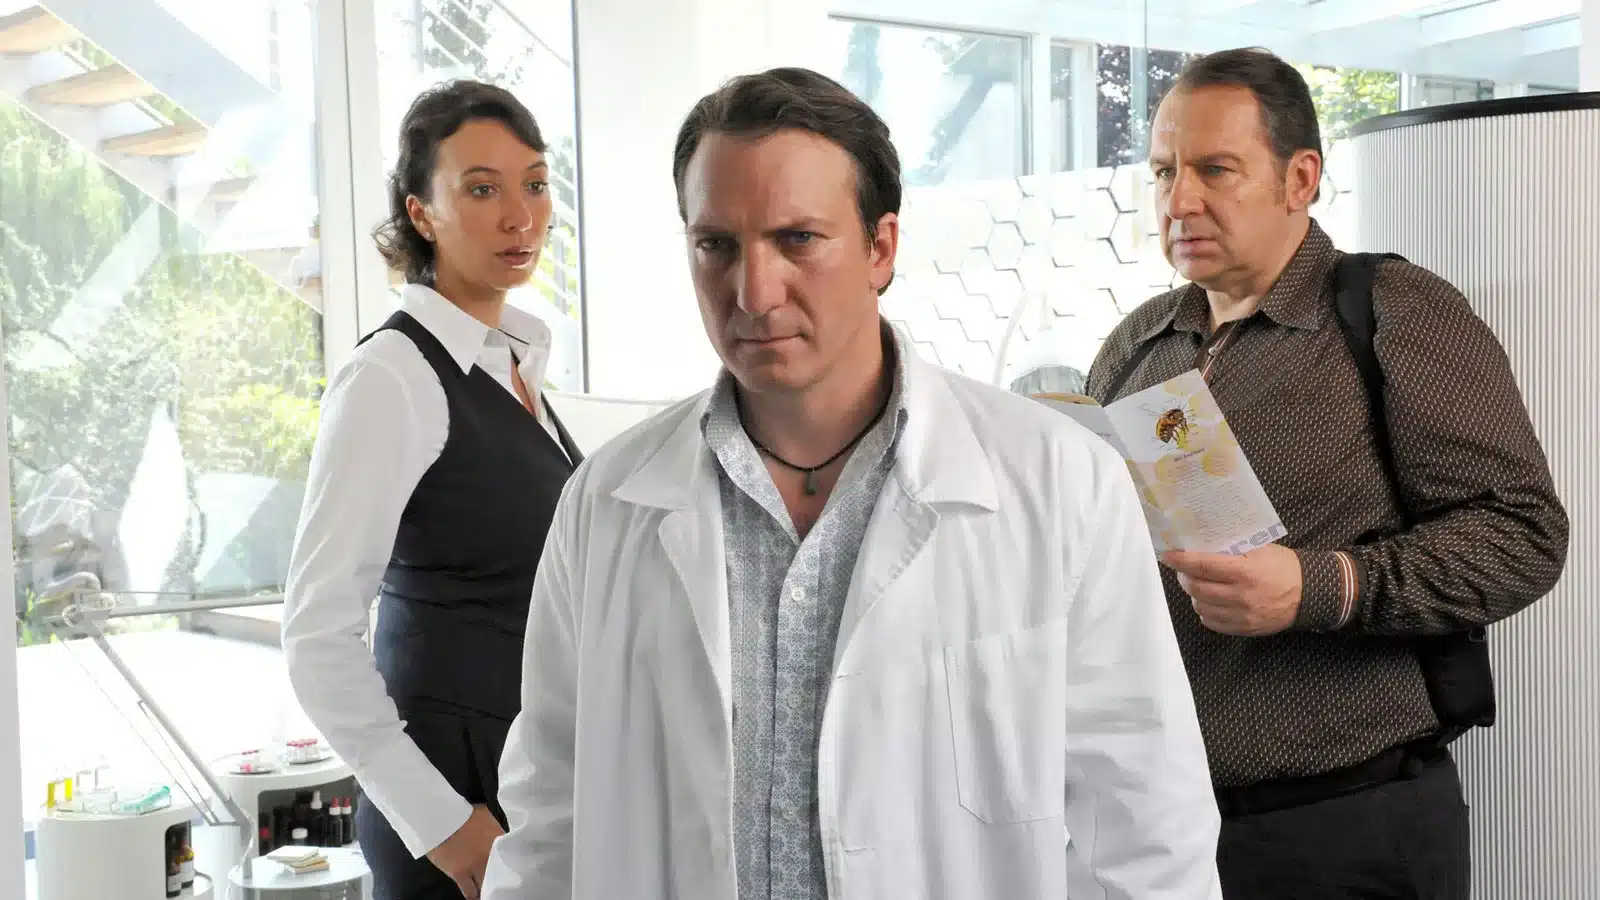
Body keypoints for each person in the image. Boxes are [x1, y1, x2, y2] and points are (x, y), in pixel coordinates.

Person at [482, 67, 1221, 900]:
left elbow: (1147, 831)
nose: (754, 292)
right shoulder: (605, 501)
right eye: (716, 245)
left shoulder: (1061, 484)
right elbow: (548, 819)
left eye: (798, 239)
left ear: (881, 249)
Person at [1085, 48, 1569, 900]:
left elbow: (1523, 535)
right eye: (1163, 172)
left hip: (1346, 831)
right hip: (1156, 830)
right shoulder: (1138, 342)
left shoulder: (1391, 311)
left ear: (1299, 178)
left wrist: (1323, 587)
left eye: (1215, 170)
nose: (1179, 201)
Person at [282, 80, 583, 900]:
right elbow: (316, 636)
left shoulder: (513, 361)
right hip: (456, 818)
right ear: (421, 214)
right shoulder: (392, 376)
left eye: (534, 184)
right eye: (482, 190)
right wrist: (443, 824)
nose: (520, 217)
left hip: (524, 791)